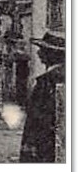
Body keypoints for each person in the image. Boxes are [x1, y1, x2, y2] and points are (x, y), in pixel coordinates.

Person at [19, 31, 64, 162]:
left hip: (44, 144)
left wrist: (29, 145)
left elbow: (37, 118)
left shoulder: (46, 81)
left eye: (43, 50)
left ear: (54, 54)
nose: (39, 54)